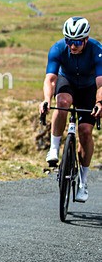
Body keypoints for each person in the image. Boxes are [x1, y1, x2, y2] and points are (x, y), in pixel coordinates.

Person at [39, 16, 102, 202]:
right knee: (63, 102)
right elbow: (50, 79)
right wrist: (45, 100)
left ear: (86, 39)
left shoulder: (97, 51)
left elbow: (100, 84)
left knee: (84, 131)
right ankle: (54, 148)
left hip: (90, 89)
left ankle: (83, 182)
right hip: (67, 82)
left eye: (76, 42)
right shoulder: (58, 48)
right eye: (69, 41)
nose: (72, 46)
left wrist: (100, 103)